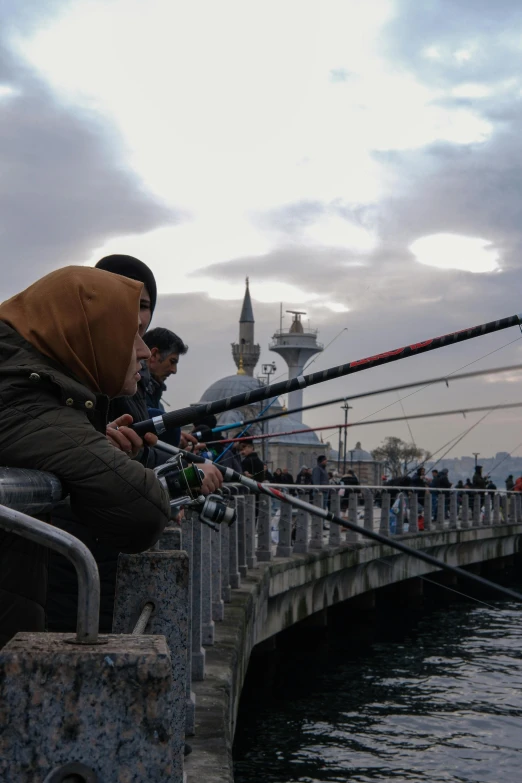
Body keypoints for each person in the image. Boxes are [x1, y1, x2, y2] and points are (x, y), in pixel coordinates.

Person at [0, 266, 222, 648]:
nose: (141, 349)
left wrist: (88, 440)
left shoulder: (29, 395)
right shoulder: (22, 400)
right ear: (86, 332)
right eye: (130, 332)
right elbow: (143, 510)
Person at [143, 327, 188, 411]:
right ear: (154, 355)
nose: (174, 370)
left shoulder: (154, 403)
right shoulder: (130, 396)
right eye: (172, 361)